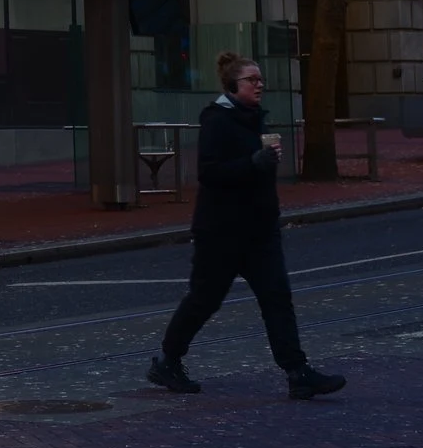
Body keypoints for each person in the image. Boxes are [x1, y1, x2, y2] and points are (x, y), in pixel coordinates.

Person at [146, 51, 346, 401]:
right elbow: (209, 172)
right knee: (205, 299)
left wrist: (265, 168)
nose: (259, 85)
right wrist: (253, 163)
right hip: (221, 230)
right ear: (232, 85)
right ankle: (167, 360)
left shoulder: (257, 119)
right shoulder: (216, 120)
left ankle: (297, 372)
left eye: (260, 79)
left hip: (259, 229)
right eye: (252, 80)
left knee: (277, 297)